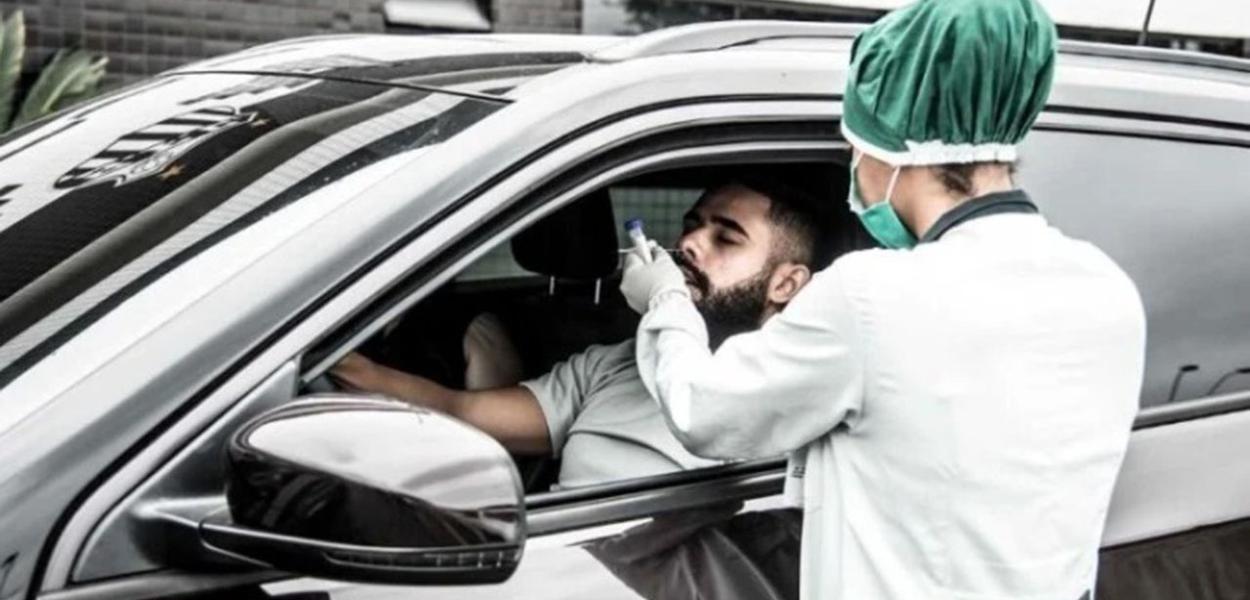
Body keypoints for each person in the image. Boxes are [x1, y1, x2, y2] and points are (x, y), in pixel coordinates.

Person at [619, 1, 1148, 598]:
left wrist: (665, 299)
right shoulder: (1109, 291)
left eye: (854, 148)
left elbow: (703, 413)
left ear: (890, 150)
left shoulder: (871, 297)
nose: (855, 170)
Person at [333, 169, 856, 489]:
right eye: (693, 224)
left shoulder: (793, 390)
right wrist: (327, 361)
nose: (691, 244)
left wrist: (665, 299)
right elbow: (459, 411)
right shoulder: (616, 363)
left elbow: (709, 412)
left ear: (785, 284)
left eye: (727, 238)